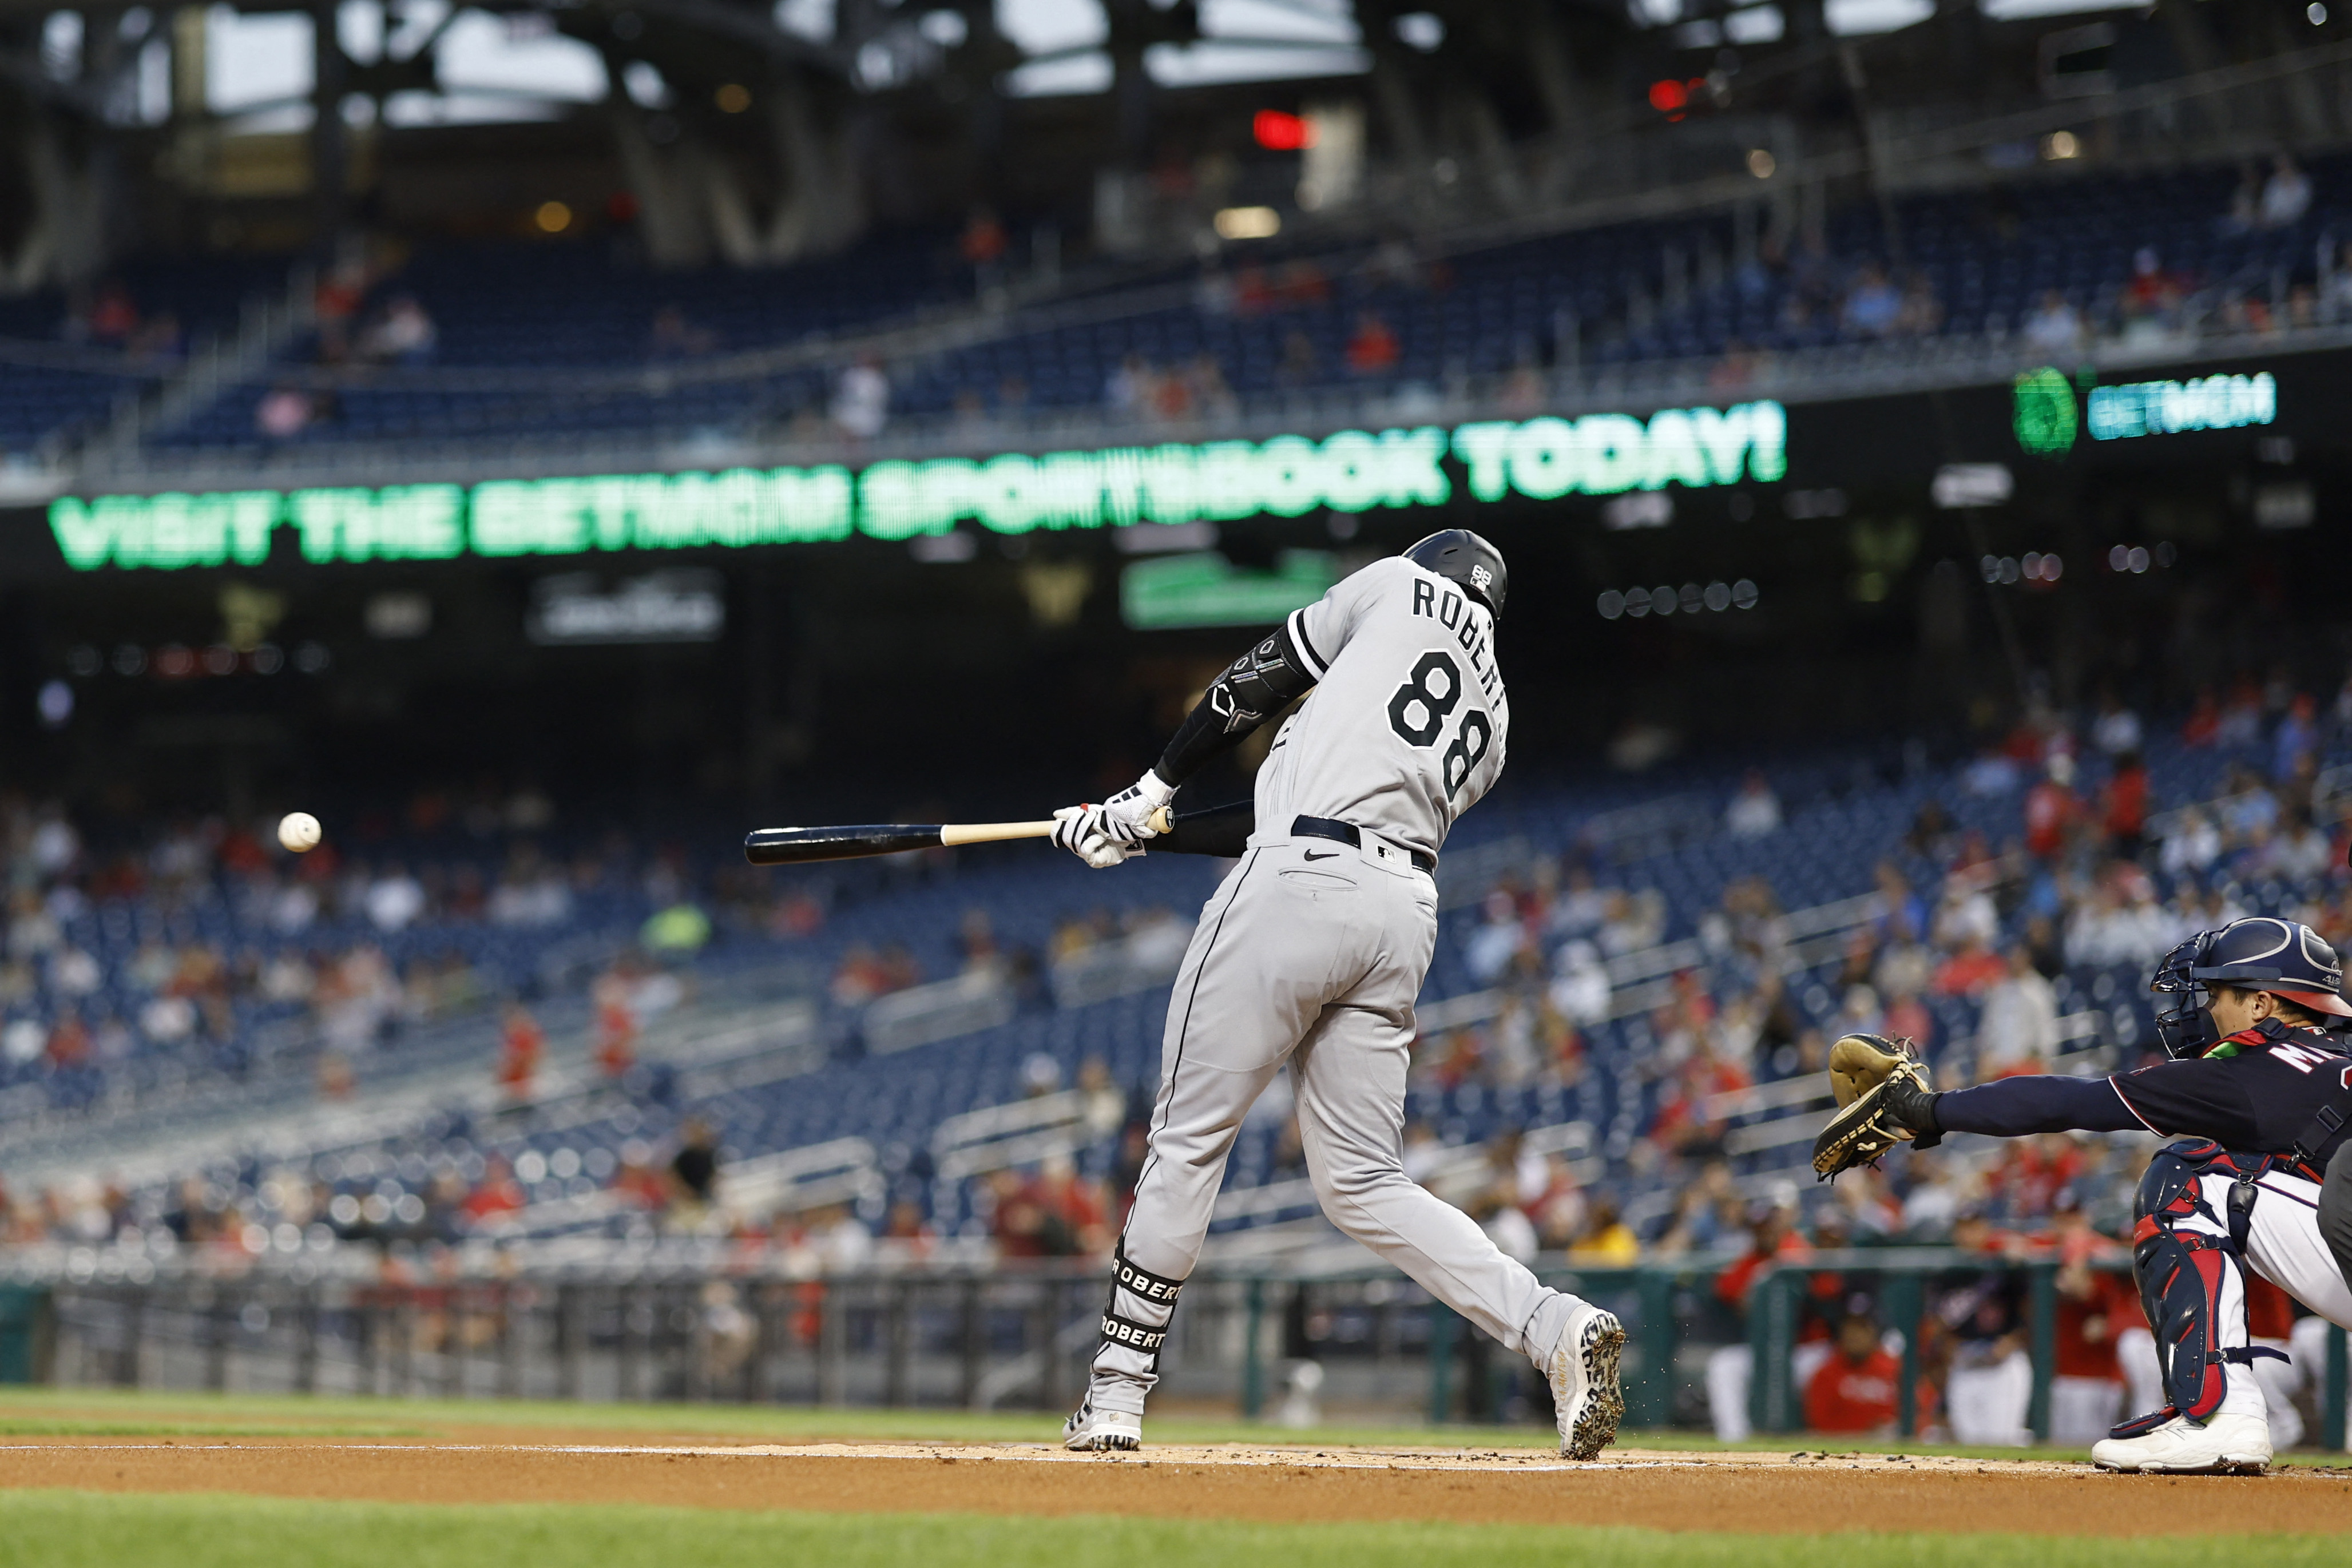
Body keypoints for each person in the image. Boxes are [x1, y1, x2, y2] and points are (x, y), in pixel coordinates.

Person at [1044, 530, 1626, 1460]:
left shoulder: (1396, 583)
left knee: (1190, 1137)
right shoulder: (1497, 712)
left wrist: (1152, 784)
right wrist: (1143, 831)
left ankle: (1115, 1393)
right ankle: (1553, 1325)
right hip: (1400, 915)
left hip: (1298, 880)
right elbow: (1305, 814)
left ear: (1426, 561)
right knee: (1364, 1181)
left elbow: (1257, 677)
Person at [1837, 916, 2352, 1472]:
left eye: (2218, 993)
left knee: (2191, 1178)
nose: (2207, 1010)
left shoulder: (2251, 1070)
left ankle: (2223, 1414)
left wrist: (1929, 1108)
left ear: (2260, 1005)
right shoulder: (2330, 1063)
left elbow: (2067, 1101)